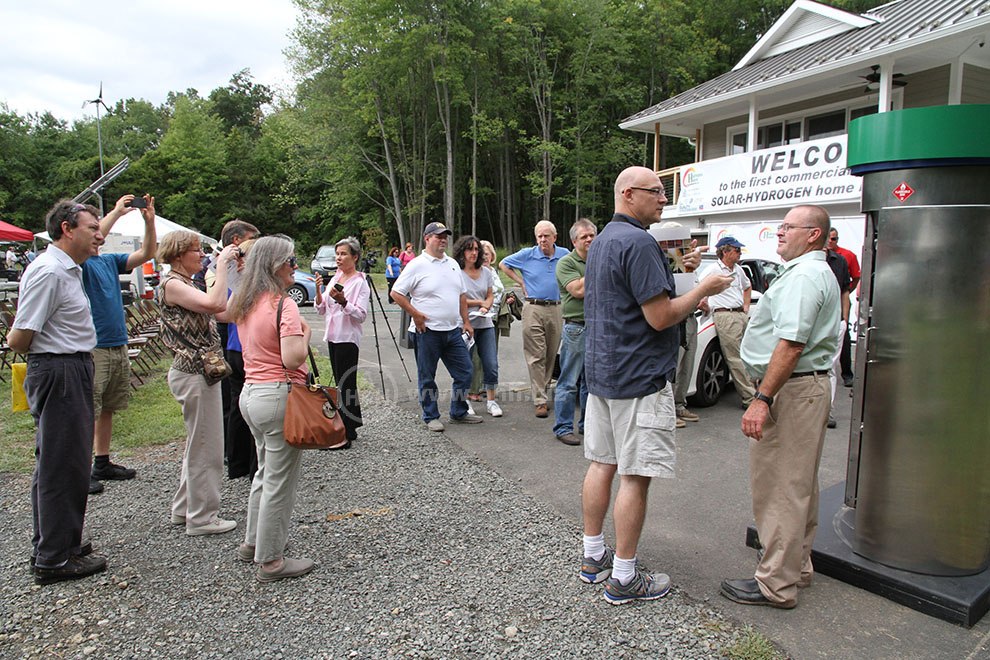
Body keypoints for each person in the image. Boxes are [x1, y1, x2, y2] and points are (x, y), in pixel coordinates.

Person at [580, 167, 731, 605]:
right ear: (629, 194)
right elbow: (660, 317)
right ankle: (624, 578)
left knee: (601, 463)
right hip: (639, 377)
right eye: (658, 191)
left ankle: (593, 558)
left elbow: (634, 303)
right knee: (635, 476)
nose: (664, 199)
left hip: (605, 374)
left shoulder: (604, 239)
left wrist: (682, 287)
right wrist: (703, 285)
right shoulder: (639, 242)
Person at [720, 204, 840, 610]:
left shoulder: (805, 276)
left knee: (780, 489)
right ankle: (796, 568)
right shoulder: (811, 272)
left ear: (813, 235)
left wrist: (762, 399)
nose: (780, 232)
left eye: (789, 227)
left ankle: (775, 584)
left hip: (790, 391)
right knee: (799, 483)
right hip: (805, 388)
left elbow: (791, 345)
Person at [9, 201, 108, 585]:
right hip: (59, 367)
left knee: (66, 460)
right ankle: (53, 558)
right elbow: (20, 335)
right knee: (61, 463)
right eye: (93, 227)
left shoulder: (68, 270)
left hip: (70, 366)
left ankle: (61, 542)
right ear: (68, 229)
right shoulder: (49, 272)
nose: (99, 234)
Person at [227, 236, 316, 582]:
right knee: (279, 481)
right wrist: (306, 333)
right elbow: (293, 357)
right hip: (278, 394)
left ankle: (253, 543)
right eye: (291, 261)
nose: (295, 267)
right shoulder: (284, 305)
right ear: (275, 265)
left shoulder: (247, 302)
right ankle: (271, 561)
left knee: (264, 473)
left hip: (251, 394)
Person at [157, 231, 240, 536]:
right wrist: (220, 266)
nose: (201, 255)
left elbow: (225, 311)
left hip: (199, 372)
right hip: (193, 373)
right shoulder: (173, 285)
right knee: (207, 446)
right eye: (196, 251)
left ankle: (185, 508)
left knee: (197, 443)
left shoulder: (185, 284)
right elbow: (214, 302)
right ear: (178, 254)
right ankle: (203, 517)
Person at [82, 194, 157, 495]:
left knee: (108, 407)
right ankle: (79, 467)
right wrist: (115, 212)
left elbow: (147, 252)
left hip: (116, 342)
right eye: (92, 230)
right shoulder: (81, 263)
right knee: (89, 408)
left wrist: (148, 222)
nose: (98, 235)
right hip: (94, 345)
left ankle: (102, 461)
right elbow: (93, 237)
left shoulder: (109, 262)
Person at [391, 222, 482, 432]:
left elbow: (461, 295)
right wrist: (416, 315)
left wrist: (466, 321)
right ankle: (430, 415)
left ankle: (458, 412)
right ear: (427, 238)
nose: (442, 240)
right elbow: (396, 293)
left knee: (465, 372)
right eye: (438, 236)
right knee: (427, 376)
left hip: (452, 330)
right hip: (427, 332)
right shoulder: (416, 264)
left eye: (445, 237)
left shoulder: (452, 264)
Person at [499, 221, 569, 418]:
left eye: (546, 236)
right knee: (536, 353)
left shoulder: (564, 254)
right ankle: (540, 399)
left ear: (554, 237)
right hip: (533, 307)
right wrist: (520, 281)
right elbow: (503, 264)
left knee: (551, 352)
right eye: (539, 236)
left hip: (556, 308)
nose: (542, 240)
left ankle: (544, 389)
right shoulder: (527, 254)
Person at [314, 237, 370, 444]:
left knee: (347, 382)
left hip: (347, 338)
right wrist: (320, 291)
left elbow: (361, 315)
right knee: (340, 382)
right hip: (333, 335)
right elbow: (322, 309)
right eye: (337, 254)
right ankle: (347, 424)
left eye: (343, 254)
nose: (338, 258)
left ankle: (348, 428)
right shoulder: (337, 276)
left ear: (354, 257)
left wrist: (344, 301)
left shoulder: (359, 282)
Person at [552, 219, 597, 446]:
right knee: (569, 381)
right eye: (584, 237)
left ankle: (587, 426)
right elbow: (578, 290)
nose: (589, 239)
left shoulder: (598, 260)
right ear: (573, 241)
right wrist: (598, 265)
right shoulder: (566, 263)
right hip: (576, 328)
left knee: (591, 382)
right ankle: (563, 427)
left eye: (592, 235)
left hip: (598, 327)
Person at [699, 237, 755, 408]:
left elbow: (747, 286)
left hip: (739, 315)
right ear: (725, 251)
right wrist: (704, 302)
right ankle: (750, 398)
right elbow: (698, 289)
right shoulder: (712, 270)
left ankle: (754, 390)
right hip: (724, 315)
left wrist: (745, 306)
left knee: (747, 355)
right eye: (737, 250)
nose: (739, 253)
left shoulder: (738, 269)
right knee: (735, 358)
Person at [454, 235, 502, 418]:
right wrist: (478, 302)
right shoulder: (457, 272)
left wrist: (486, 304)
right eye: (469, 249)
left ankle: (491, 400)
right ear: (462, 252)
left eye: (476, 249)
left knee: (491, 363)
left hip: (485, 323)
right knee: (465, 365)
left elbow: (490, 295)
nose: (473, 253)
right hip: (464, 325)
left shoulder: (486, 272)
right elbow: (459, 298)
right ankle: (464, 401)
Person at [468, 241, 508, 401]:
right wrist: (482, 304)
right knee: (475, 356)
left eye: (487, 254)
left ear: (492, 256)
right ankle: (473, 390)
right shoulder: (477, 272)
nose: (484, 256)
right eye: (481, 253)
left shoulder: (493, 272)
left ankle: (487, 387)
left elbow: (497, 292)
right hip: (477, 318)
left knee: (490, 356)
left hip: (494, 318)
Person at [828, 228, 860, 387]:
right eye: (829, 238)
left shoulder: (845, 258)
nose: (831, 242)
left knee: (844, 342)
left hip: (840, 307)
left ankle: (847, 373)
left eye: (834, 239)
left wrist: (845, 318)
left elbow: (854, 279)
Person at [825, 245, 851, 429]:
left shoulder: (840, 261)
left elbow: (845, 291)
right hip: (815, 324)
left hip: (836, 323)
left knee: (830, 367)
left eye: (833, 239)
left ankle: (827, 410)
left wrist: (845, 319)